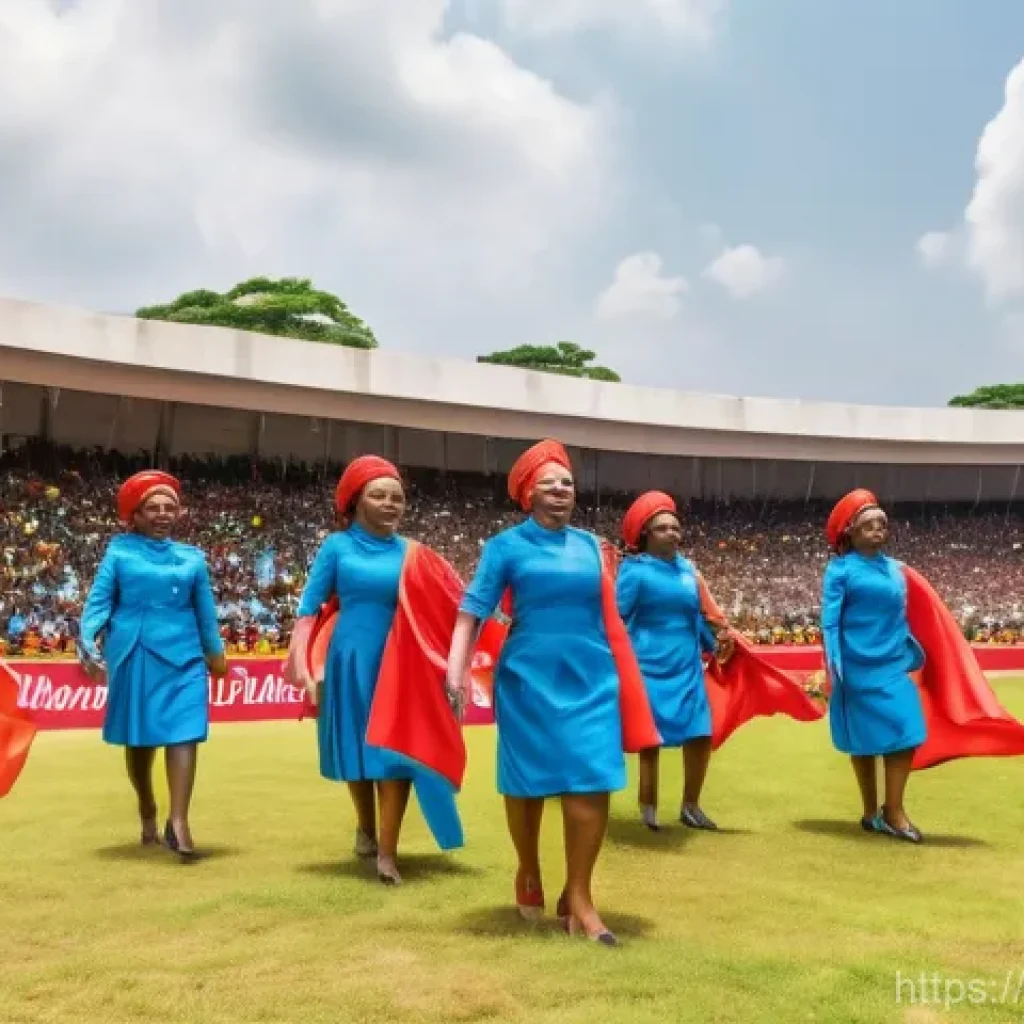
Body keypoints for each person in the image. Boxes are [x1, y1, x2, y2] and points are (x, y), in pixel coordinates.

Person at [446, 440, 660, 947]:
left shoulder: (592, 546)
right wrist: (456, 672)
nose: (561, 490)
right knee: (526, 783)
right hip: (527, 678)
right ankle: (528, 870)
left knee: (592, 779)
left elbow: (609, 614)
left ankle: (580, 897)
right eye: (549, 483)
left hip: (591, 678)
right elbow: (473, 608)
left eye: (567, 483)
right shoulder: (505, 547)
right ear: (527, 493)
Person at [285, 455, 472, 886]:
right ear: (356, 500)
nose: (391, 504)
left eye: (398, 498)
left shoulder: (417, 554)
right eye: (379, 495)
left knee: (395, 755)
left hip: (403, 664)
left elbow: (455, 602)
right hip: (349, 660)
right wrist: (303, 665)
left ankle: (387, 852)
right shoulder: (336, 547)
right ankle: (366, 830)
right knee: (357, 752)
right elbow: (309, 606)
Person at [821, 489, 1024, 843]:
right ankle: (870, 813)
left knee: (907, 729)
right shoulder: (840, 571)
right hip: (855, 668)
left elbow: (923, 612)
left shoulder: (899, 571)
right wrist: (834, 667)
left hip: (892, 666)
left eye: (882, 525)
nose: (878, 531)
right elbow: (830, 622)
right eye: (868, 525)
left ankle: (893, 811)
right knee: (863, 742)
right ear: (849, 532)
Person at [616, 491, 825, 832]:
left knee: (700, 734)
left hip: (686, 667)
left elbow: (699, 617)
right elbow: (618, 617)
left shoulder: (689, 571)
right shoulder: (634, 572)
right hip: (647, 667)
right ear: (644, 535)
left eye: (676, 527)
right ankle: (648, 807)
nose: (673, 533)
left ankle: (691, 806)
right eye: (663, 528)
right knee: (650, 741)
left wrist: (718, 643)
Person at [78, 471, 227, 860]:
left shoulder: (193, 558)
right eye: (153, 508)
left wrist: (216, 656)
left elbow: (206, 613)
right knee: (140, 741)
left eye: (170, 507)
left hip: (187, 654)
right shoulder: (119, 552)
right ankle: (147, 805)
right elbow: (98, 603)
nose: (163, 514)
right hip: (135, 651)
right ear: (136, 515)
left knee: (186, 732)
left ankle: (179, 822)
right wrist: (87, 638)